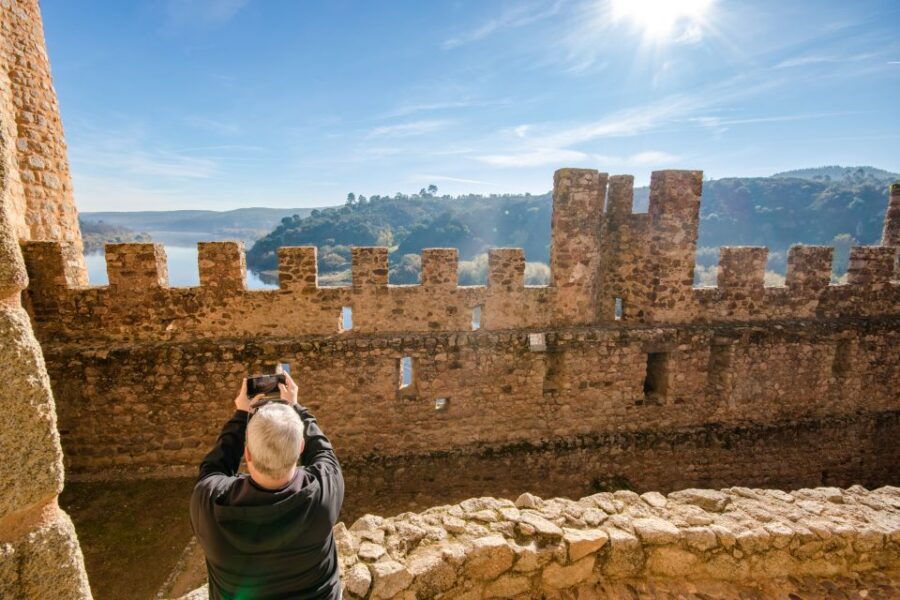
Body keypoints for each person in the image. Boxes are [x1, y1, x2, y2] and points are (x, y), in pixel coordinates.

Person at [190, 372, 344, 600]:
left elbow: (213, 468)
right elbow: (323, 452)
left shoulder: (210, 505)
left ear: (247, 453)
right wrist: (295, 406)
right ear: (300, 447)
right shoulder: (322, 493)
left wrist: (241, 414)